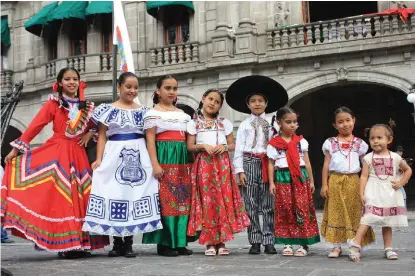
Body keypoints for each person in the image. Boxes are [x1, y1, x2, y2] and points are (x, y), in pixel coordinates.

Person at [1, 67, 108, 258]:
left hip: (78, 154)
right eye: (67, 79)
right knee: (63, 199)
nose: (71, 82)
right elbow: (35, 125)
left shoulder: (87, 106)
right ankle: (65, 245)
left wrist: (89, 132)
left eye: (75, 79)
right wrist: (16, 149)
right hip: (58, 154)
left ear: (79, 82)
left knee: (81, 197)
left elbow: (97, 126)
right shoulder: (54, 104)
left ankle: (79, 244)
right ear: (59, 83)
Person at [82, 72, 161, 258]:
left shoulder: (145, 112)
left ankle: (129, 243)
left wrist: (153, 163)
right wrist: (99, 159)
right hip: (114, 154)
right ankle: (117, 242)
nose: (132, 90)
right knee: (113, 195)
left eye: (135, 87)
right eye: (128, 86)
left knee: (133, 195)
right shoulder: (106, 109)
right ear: (119, 87)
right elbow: (101, 135)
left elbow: (150, 139)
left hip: (138, 154)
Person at [226, 75, 288, 255]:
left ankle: (269, 240)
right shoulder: (245, 124)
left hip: (267, 163)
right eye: (253, 101)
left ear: (267, 103)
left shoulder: (274, 123)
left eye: (261, 100)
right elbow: (238, 149)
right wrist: (239, 170)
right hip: (249, 162)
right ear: (248, 105)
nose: (257, 104)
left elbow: (278, 143)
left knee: (269, 203)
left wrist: (277, 165)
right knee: (251, 203)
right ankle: (254, 240)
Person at [186, 89, 250, 256]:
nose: (212, 103)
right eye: (210, 99)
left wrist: (223, 147)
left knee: (222, 200)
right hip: (204, 165)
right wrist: (202, 146)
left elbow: (232, 145)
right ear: (203, 99)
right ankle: (209, 242)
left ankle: (221, 242)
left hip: (222, 165)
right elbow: (190, 146)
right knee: (207, 201)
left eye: (217, 101)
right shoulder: (194, 123)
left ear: (220, 106)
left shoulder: (224, 123)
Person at [141, 75, 195, 257]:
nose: (172, 92)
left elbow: (190, 140)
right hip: (164, 156)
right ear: (158, 90)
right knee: (166, 201)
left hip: (182, 159)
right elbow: (150, 141)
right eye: (168, 88)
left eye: (174, 88)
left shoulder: (184, 115)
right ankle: (165, 243)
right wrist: (155, 165)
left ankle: (180, 241)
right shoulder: (152, 114)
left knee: (182, 200)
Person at [348, 124, 412, 262]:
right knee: (367, 217)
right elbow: (364, 176)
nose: (375, 141)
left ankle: (388, 247)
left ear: (389, 140)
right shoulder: (368, 158)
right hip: (373, 191)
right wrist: (361, 193)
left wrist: (401, 183)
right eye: (372, 138)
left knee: (387, 221)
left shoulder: (395, 157)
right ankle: (355, 244)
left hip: (389, 193)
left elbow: (408, 170)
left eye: (379, 138)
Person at [320, 107, 375, 258]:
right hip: (336, 180)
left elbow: (365, 166)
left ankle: (355, 243)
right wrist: (324, 184)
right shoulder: (330, 143)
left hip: (354, 180)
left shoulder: (360, 144)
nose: (345, 124)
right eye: (340, 122)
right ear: (334, 125)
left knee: (354, 211)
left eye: (348, 120)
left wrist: (367, 186)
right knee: (335, 211)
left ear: (354, 121)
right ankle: (335, 246)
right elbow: (326, 165)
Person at [267, 107, 320, 257]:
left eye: (294, 122)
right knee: (285, 209)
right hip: (283, 176)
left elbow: (308, 162)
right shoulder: (274, 143)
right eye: (288, 122)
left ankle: (304, 243)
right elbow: (271, 164)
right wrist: (271, 182)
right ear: (279, 123)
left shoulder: (301, 141)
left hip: (300, 177)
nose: (292, 125)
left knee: (302, 208)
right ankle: (287, 242)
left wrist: (311, 181)